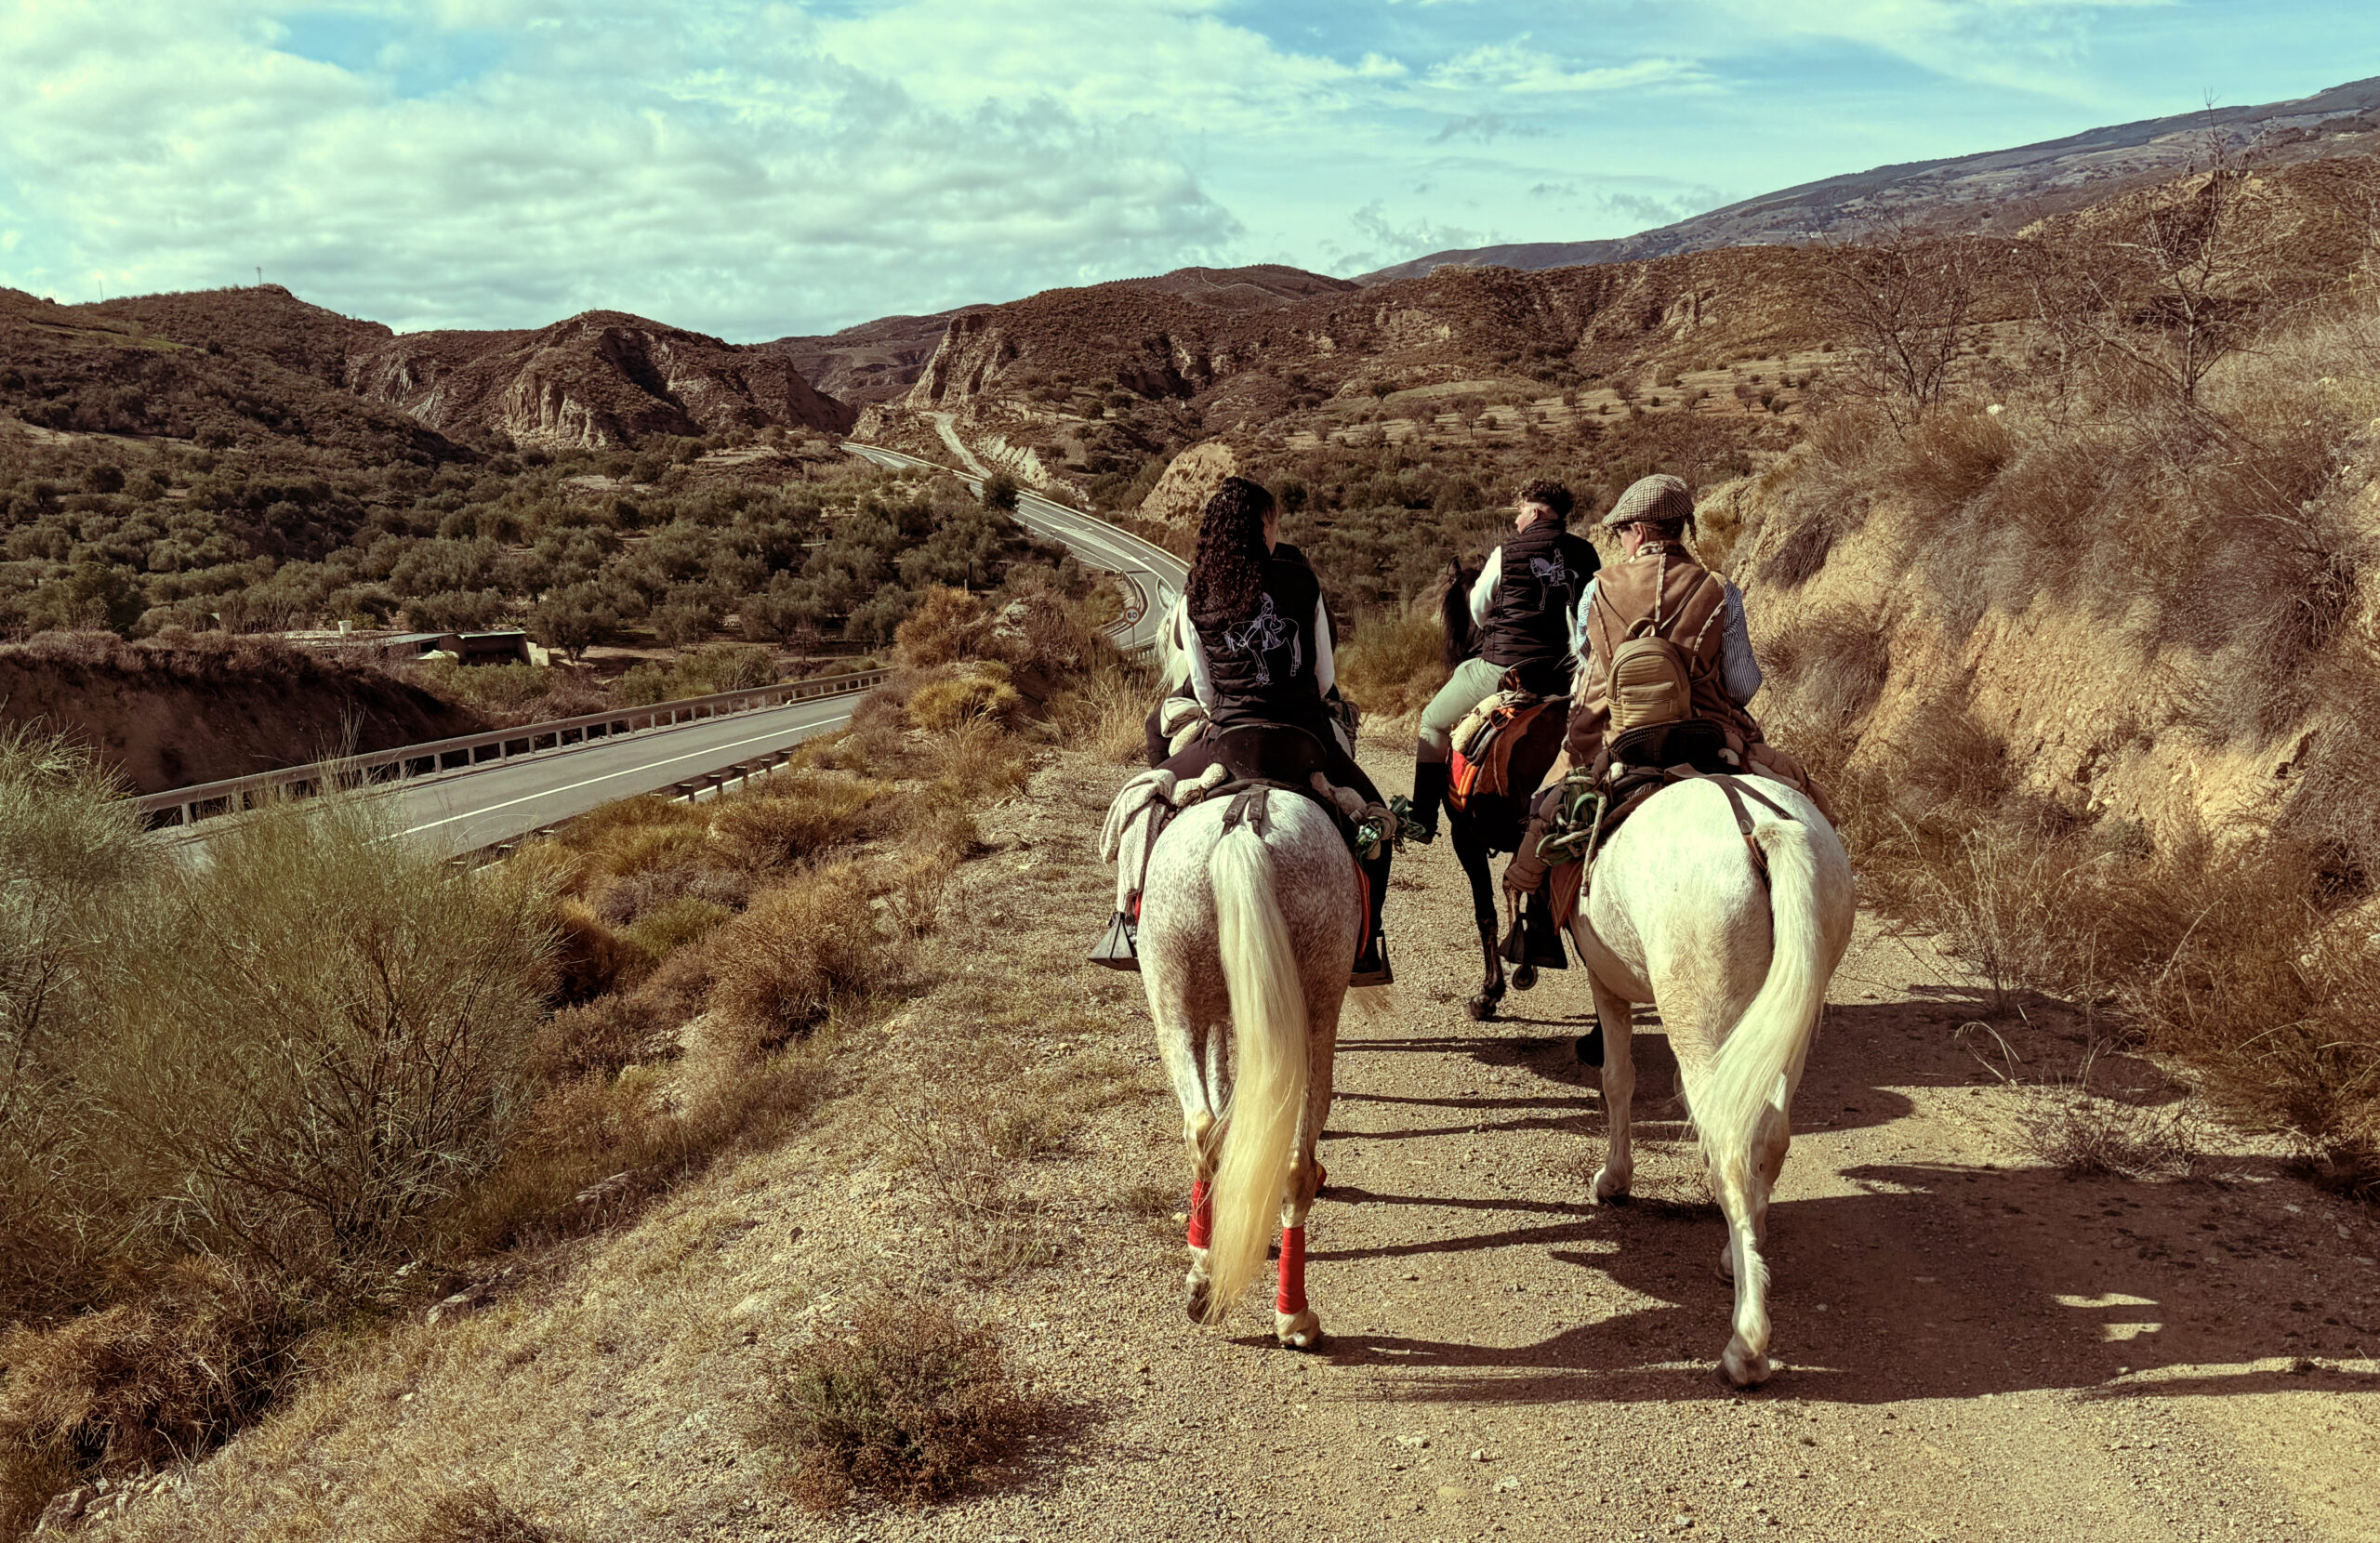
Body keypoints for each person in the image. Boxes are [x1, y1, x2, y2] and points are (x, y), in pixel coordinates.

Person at [1106, 477, 1395, 983]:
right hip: (1305, 742)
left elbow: (1205, 692)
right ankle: (1366, 945)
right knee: (1376, 824)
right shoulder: (1303, 582)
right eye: (1273, 523)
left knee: (1145, 806)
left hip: (1230, 742)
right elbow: (1325, 677)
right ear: (1263, 526)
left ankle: (1131, 925)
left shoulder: (1196, 593)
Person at [1501, 472, 1826, 912]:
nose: (1620, 542)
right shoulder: (1720, 588)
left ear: (1637, 531)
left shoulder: (1597, 589)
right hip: (1708, 736)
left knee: (1547, 813)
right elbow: (1744, 684)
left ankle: (1531, 925)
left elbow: (1586, 665)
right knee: (1801, 794)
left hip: (1616, 741)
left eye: (1621, 533)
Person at [1406, 478, 1599, 843]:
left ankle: (1424, 818)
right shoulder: (1586, 553)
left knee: (1432, 719)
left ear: (1536, 511)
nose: (1516, 521)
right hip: (1563, 674)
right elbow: (1589, 614)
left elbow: (1478, 609)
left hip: (1506, 667)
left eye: (1520, 511)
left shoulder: (1507, 552)